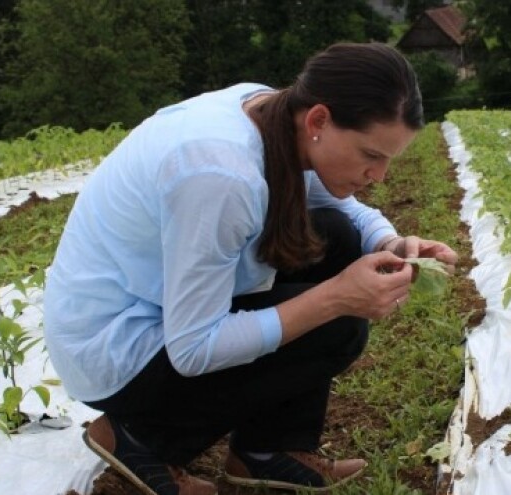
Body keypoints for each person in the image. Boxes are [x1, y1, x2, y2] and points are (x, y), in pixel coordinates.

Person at [43, 42, 458, 495]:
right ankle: (139, 438)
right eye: (370, 155)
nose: (379, 175)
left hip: (158, 305)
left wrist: (389, 241)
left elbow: (332, 200)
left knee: (337, 235)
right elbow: (194, 347)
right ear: (319, 120)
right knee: (338, 325)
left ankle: (268, 449)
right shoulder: (221, 174)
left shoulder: (275, 112)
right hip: (114, 349)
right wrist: (335, 296)